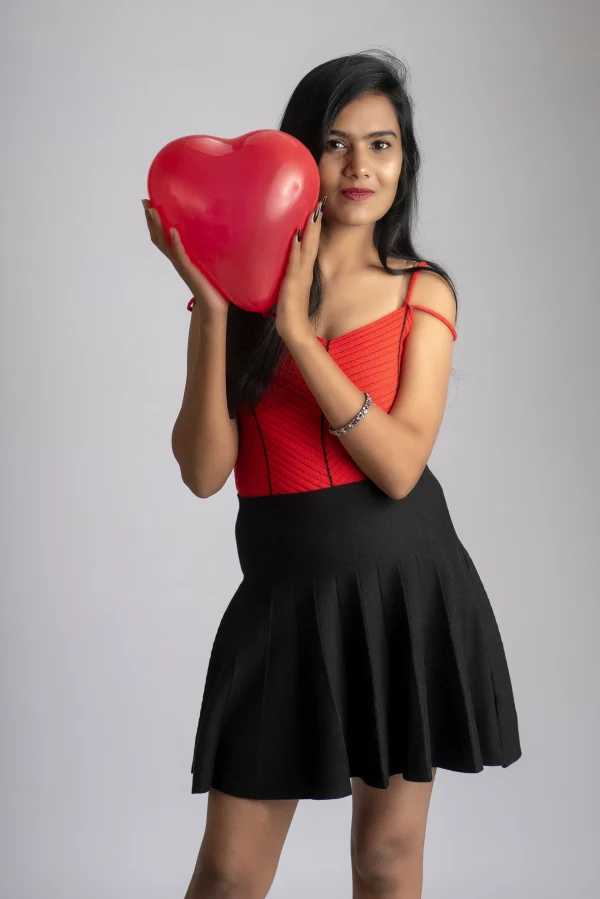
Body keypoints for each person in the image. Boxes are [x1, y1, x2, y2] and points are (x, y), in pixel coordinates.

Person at [143, 49, 522, 899]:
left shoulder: (423, 291)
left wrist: (304, 340)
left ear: (404, 161)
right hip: (283, 598)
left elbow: (398, 466)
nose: (360, 167)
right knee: (231, 871)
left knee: (385, 858)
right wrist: (211, 314)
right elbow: (205, 472)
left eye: (382, 145)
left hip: (405, 590)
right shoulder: (236, 298)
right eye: (337, 142)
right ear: (296, 157)